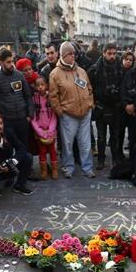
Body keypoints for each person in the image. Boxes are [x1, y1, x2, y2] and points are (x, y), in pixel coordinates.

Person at [49, 42, 95, 178]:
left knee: (85, 144)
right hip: (68, 114)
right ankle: (68, 167)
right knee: (67, 144)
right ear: (63, 55)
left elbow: (89, 88)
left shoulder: (81, 71)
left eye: (74, 53)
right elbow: (53, 95)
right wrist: (60, 112)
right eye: (70, 54)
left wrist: (90, 103)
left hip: (85, 113)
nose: (73, 56)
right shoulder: (55, 74)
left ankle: (88, 168)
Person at [0, 48, 33, 153]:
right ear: (1, 62)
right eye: (8, 62)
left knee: (24, 147)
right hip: (7, 121)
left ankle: (26, 168)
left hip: (23, 119)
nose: (11, 64)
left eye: (12, 61)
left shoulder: (19, 75)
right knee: (9, 149)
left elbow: (28, 96)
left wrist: (29, 115)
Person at [89, 43, 125, 169]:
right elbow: (89, 87)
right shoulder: (95, 69)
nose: (112, 56)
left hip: (115, 106)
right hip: (101, 106)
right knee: (101, 137)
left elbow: (123, 86)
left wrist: (120, 99)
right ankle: (101, 159)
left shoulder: (120, 68)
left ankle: (115, 159)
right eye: (109, 53)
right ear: (103, 53)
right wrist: (93, 101)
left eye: (114, 53)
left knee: (114, 136)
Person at [0, 112, 33, 196]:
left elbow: (21, 148)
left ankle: (19, 185)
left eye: (1, 123)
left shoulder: (8, 133)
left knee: (28, 157)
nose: (0, 126)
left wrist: (14, 161)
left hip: (10, 165)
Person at [31, 77, 59, 180]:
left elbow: (54, 117)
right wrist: (39, 131)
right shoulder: (33, 100)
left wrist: (51, 130)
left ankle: (55, 169)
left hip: (51, 131)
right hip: (40, 132)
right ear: (35, 87)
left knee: (52, 150)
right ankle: (44, 170)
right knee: (42, 151)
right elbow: (33, 118)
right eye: (38, 85)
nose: (40, 87)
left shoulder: (50, 98)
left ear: (46, 85)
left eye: (42, 85)